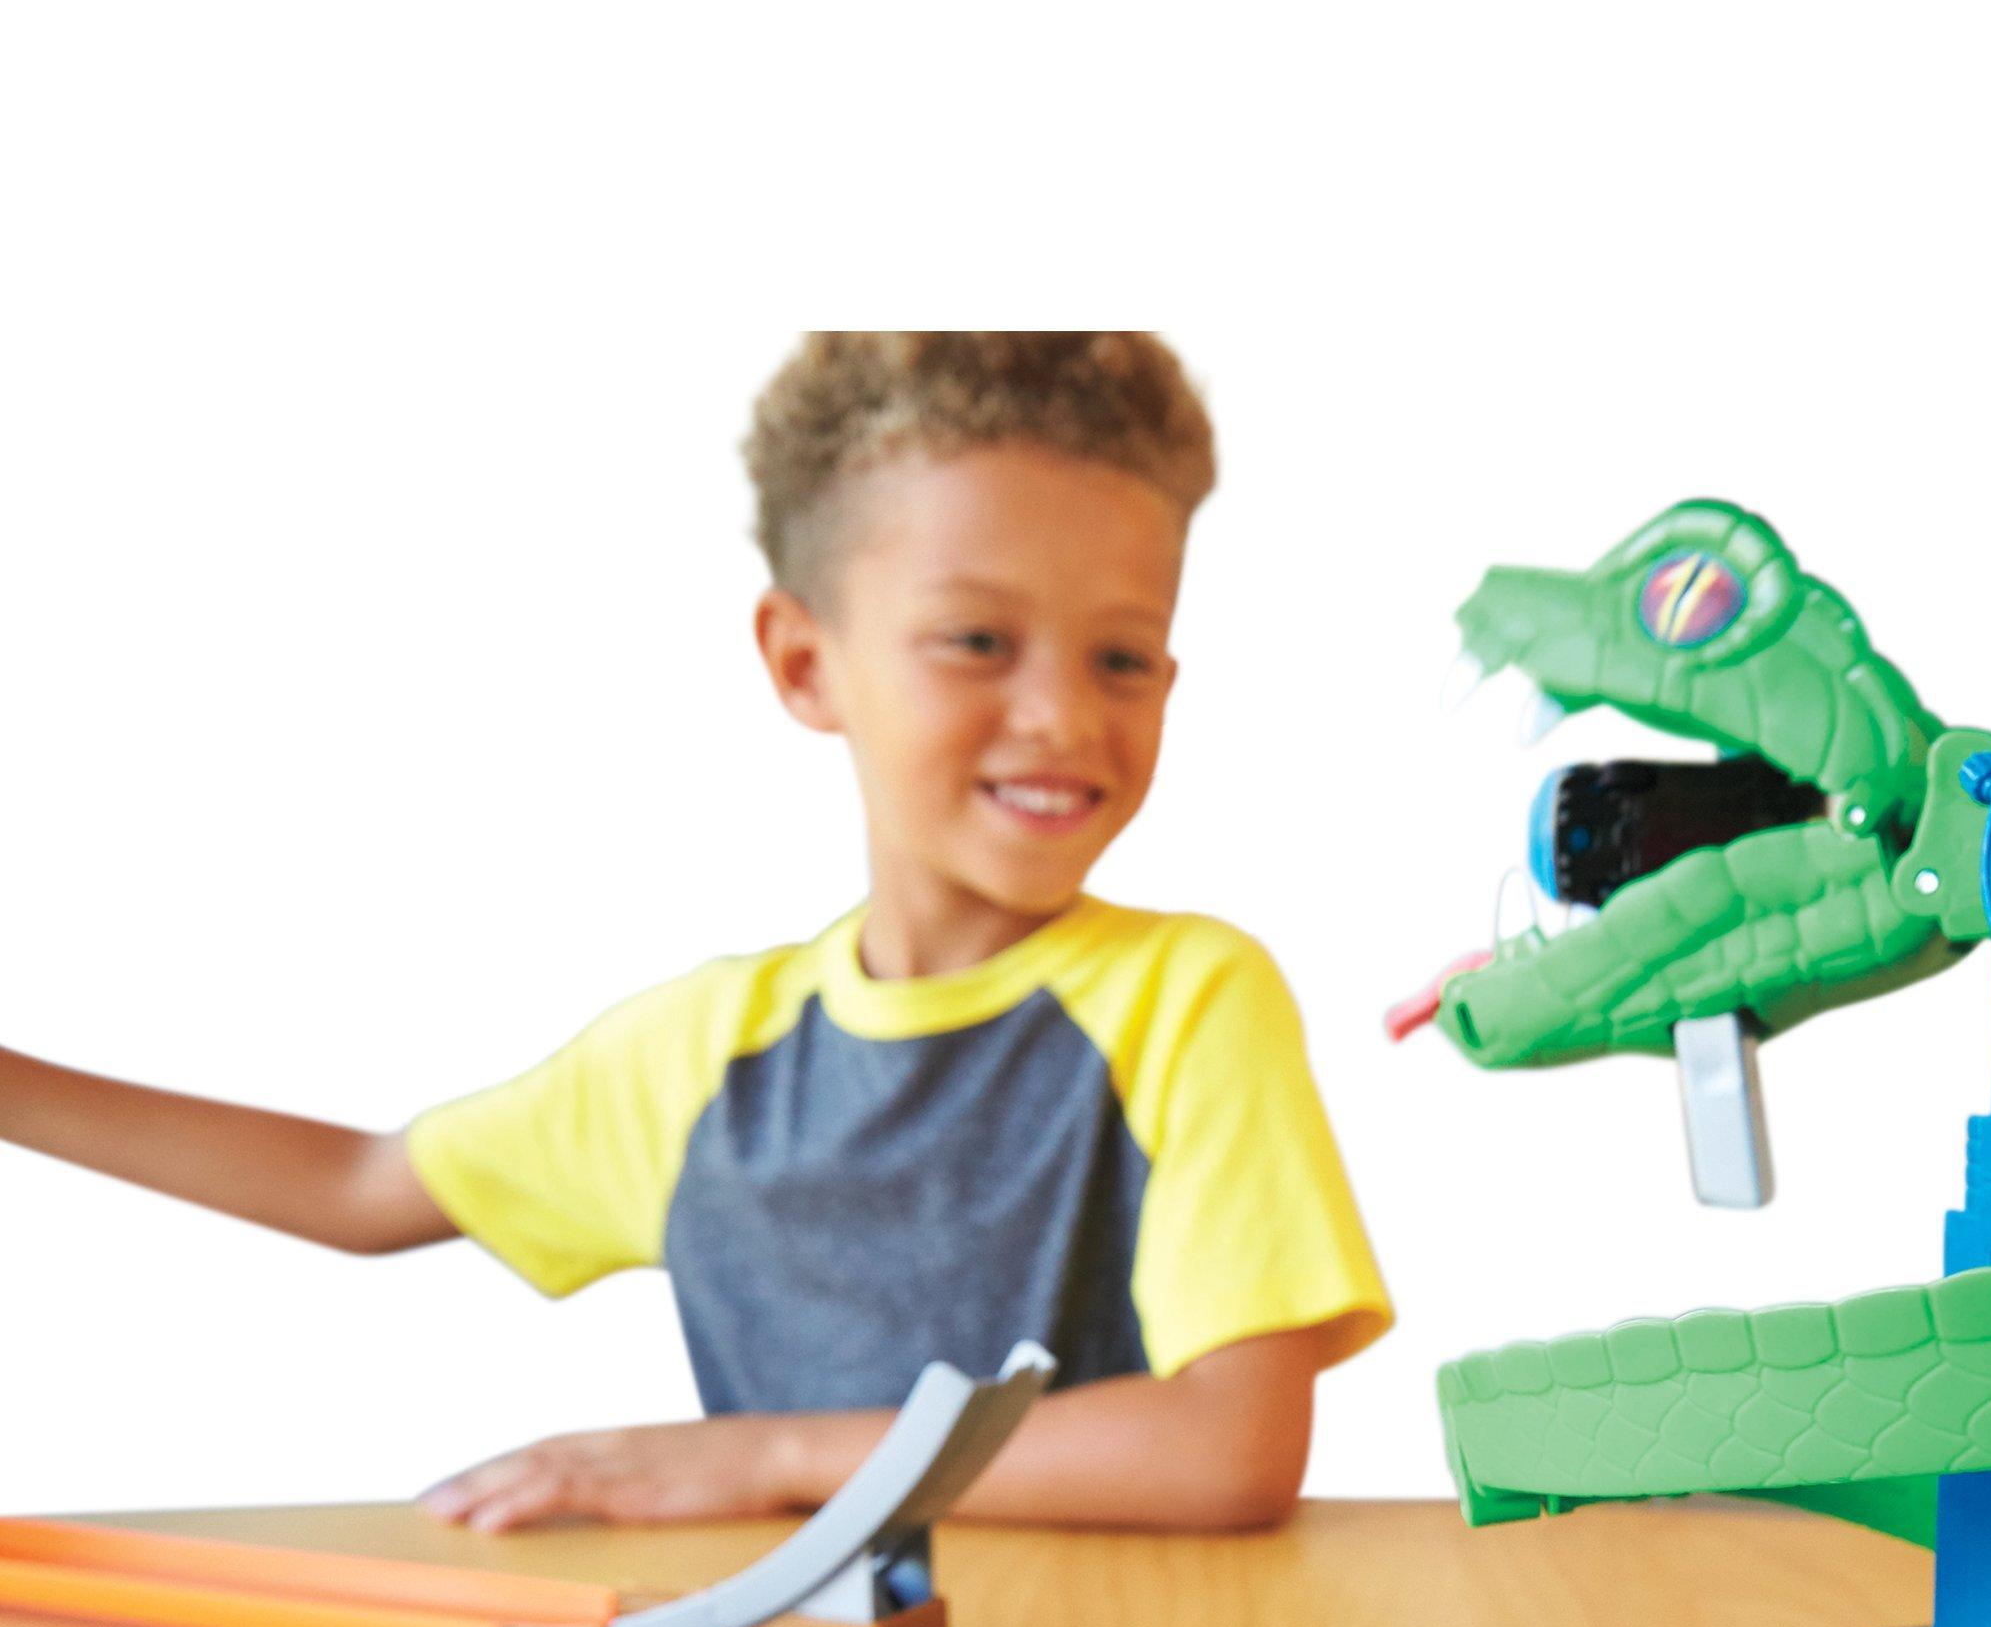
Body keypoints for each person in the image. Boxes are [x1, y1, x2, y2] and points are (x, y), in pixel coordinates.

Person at [0, 332, 1389, 1531]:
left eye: (1122, 657)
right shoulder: (705, 1058)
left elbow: (1229, 1449)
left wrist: (769, 1457)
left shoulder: (1188, 998)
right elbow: (361, 1188)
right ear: (804, 662)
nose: (1064, 716)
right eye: (978, 641)